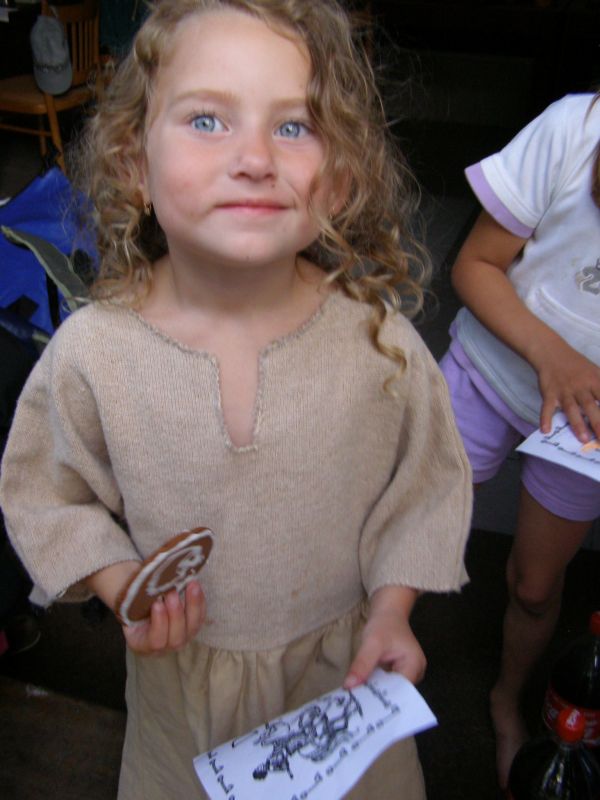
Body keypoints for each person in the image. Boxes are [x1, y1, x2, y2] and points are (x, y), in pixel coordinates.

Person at [0, 2, 472, 798]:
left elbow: (423, 485)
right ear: (133, 164)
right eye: (207, 120)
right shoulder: (95, 353)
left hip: (343, 685)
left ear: (340, 179)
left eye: (294, 126)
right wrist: (122, 585)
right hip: (181, 697)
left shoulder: (378, 343)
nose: (254, 158)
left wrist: (393, 610)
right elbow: (47, 492)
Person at [439, 92, 600, 789]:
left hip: (589, 421)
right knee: (409, 523)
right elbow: (473, 264)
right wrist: (553, 355)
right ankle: (360, 673)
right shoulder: (573, 129)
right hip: (492, 369)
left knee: (535, 587)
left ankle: (508, 700)